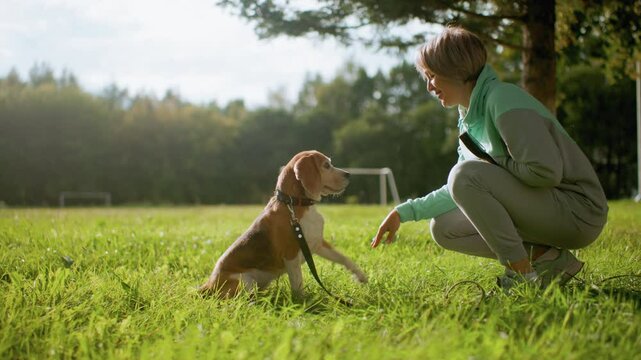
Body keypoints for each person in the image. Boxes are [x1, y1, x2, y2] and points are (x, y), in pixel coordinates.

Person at [371, 26, 608, 290]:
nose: (429, 86)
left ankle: (521, 276)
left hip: (578, 212)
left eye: (432, 76)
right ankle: (553, 262)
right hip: (548, 209)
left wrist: (492, 163)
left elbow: (545, 172)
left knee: (464, 175)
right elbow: (460, 188)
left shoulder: (503, 99)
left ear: (456, 70)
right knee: (444, 227)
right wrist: (403, 213)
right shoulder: (468, 118)